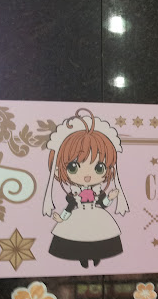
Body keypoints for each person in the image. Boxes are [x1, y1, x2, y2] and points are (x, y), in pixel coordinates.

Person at [42, 108, 129, 267]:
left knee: (98, 235)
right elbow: (69, 208)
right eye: (73, 167)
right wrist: (62, 218)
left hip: (97, 215)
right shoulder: (73, 194)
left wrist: (110, 198)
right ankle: (83, 258)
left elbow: (103, 204)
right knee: (79, 237)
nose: (87, 175)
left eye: (99, 168)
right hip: (78, 217)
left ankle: (96, 256)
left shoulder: (98, 191)